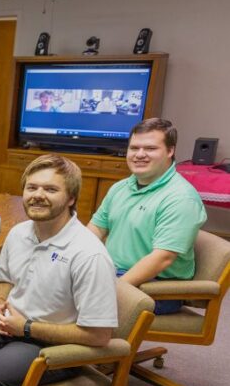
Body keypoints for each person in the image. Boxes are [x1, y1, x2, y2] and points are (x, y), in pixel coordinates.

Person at [0, 154, 118, 386]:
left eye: (51, 189)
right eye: (32, 187)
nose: (38, 195)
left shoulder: (88, 254)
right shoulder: (19, 233)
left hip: (51, 345)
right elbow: (5, 279)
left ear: (71, 198)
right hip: (6, 327)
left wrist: (25, 327)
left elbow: (99, 336)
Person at [88, 118, 207, 315]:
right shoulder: (121, 187)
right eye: (134, 148)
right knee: (48, 283)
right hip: (112, 271)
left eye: (150, 148)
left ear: (170, 151)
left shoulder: (181, 198)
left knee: (70, 304)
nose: (139, 155)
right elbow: (96, 229)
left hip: (155, 288)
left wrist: (112, 289)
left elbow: (162, 258)